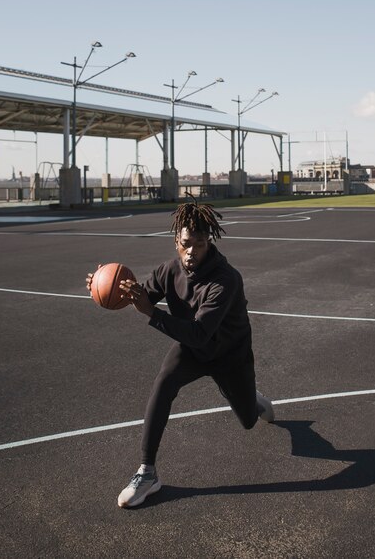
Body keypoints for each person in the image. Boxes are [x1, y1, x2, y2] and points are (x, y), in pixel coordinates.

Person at [87, 196, 274, 508]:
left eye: (199, 244)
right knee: (163, 384)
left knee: (248, 421)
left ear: (208, 242)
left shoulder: (225, 280)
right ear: (177, 240)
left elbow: (200, 333)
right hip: (192, 349)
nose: (191, 252)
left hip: (229, 355)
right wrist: (106, 286)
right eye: (186, 244)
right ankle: (147, 473)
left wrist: (153, 314)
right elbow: (140, 295)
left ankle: (251, 398)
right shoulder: (169, 271)